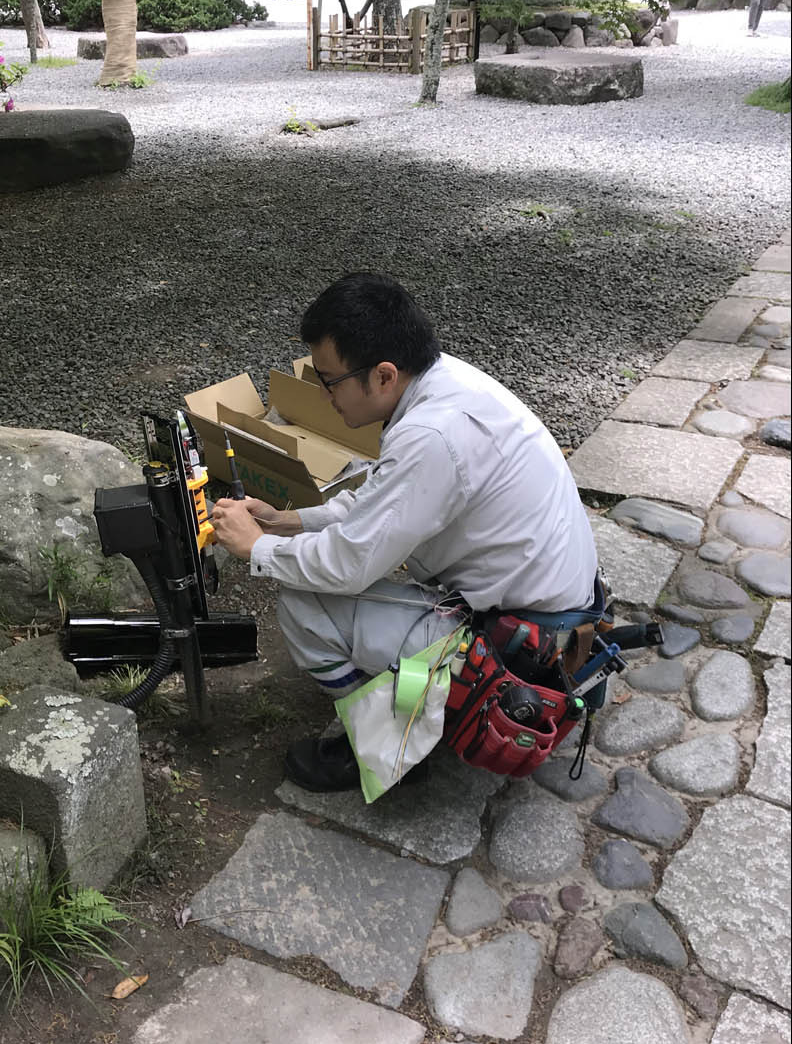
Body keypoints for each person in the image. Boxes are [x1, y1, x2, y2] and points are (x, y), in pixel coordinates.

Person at [210, 273, 599, 793]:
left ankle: (384, 745)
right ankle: (411, 703)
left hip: (521, 644)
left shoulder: (431, 435)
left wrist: (255, 547)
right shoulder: (445, 383)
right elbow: (384, 495)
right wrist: (291, 521)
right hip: (554, 612)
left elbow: (347, 567)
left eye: (329, 381)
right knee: (314, 573)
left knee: (305, 602)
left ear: (385, 375)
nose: (326, 396)